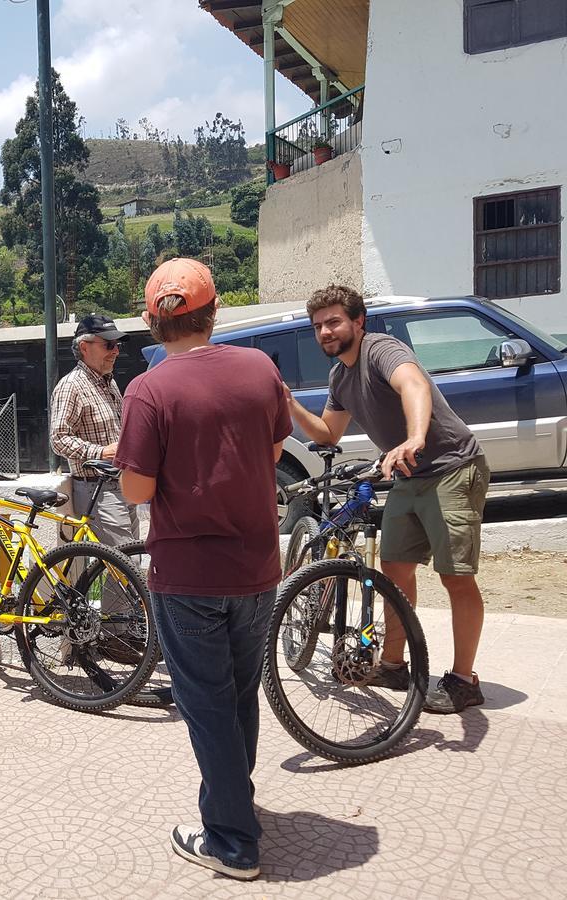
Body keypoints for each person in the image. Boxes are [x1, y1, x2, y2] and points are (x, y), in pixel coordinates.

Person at [116, 259, 290, 882]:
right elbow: (273, 450)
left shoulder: (148, 390)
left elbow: (136, 490)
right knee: (241, 694)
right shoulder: (259, 369)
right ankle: (236, 804)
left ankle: (232, 841)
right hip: (256, 567)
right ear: (215, 310)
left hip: (188, 573)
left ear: (151, 322)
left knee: (207, 706)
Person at [285, 284, 490, 714]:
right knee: (393, 574)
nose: (325, 331)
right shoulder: (340, 376)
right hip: (406, 477)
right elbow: (327, 434)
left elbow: (413, 384)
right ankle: (395, 664)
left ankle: (464, 680)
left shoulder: (381, 349)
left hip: (452, 467)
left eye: (334, 321)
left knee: (456, 577)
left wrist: (415, 437)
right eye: (318, 325)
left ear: (358, 322)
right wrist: (287, 402)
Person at [49, 313, 141, 664]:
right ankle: (116, 636)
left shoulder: (107, 382)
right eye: (108, 344)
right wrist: (99, 451)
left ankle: (120, 630)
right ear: (84, 347)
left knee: (125, 559)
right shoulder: (71, 386)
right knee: (123, 560)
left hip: (121, 484)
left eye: (117, 344)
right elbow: (58, 439)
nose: (116, 351)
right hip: (96, 487)